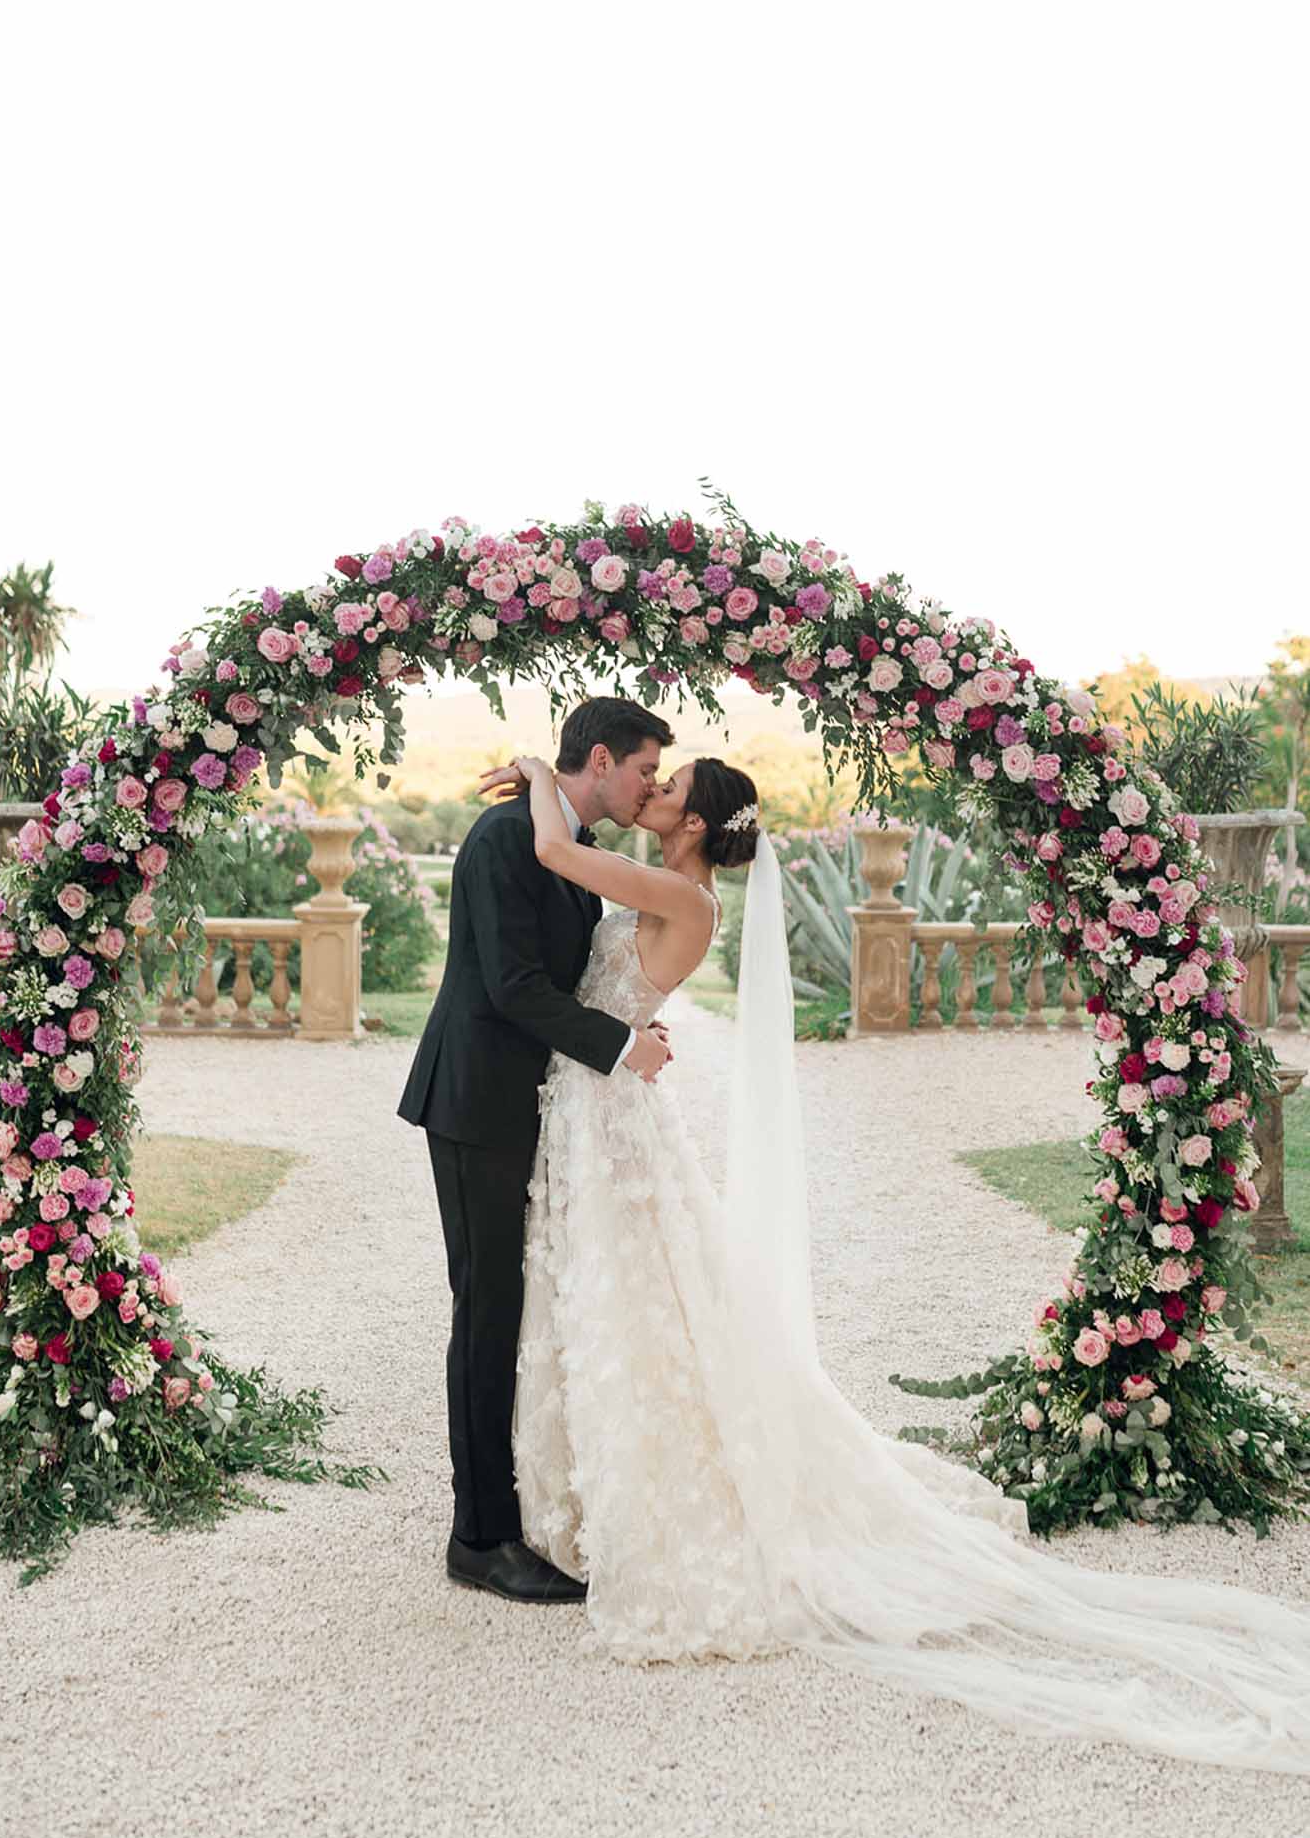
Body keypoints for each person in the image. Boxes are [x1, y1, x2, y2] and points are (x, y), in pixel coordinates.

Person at [476, 747, 1310, 1776]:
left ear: (692, 826)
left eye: (665, 787)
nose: (650, 793)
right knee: (628, 1305)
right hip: (600, 1105)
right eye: (650, 778)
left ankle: (650, 1499)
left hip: (610, 1121)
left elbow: (553, 843)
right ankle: (592, 1486)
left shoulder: (677, 894)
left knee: (637, 1304)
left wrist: (530, 767)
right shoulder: (674, 882)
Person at [398, 696, 674, 1603]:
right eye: (642, 770)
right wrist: (619, 1045)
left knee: (520, 1309)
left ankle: (519, 1506)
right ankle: (477, 1539)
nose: (648, 788)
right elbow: (514, 987)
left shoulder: (566, 849)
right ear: (599, 759)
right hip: (476, 1104)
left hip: (536, 1109)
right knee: (485, 1310)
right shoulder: (500, 838)